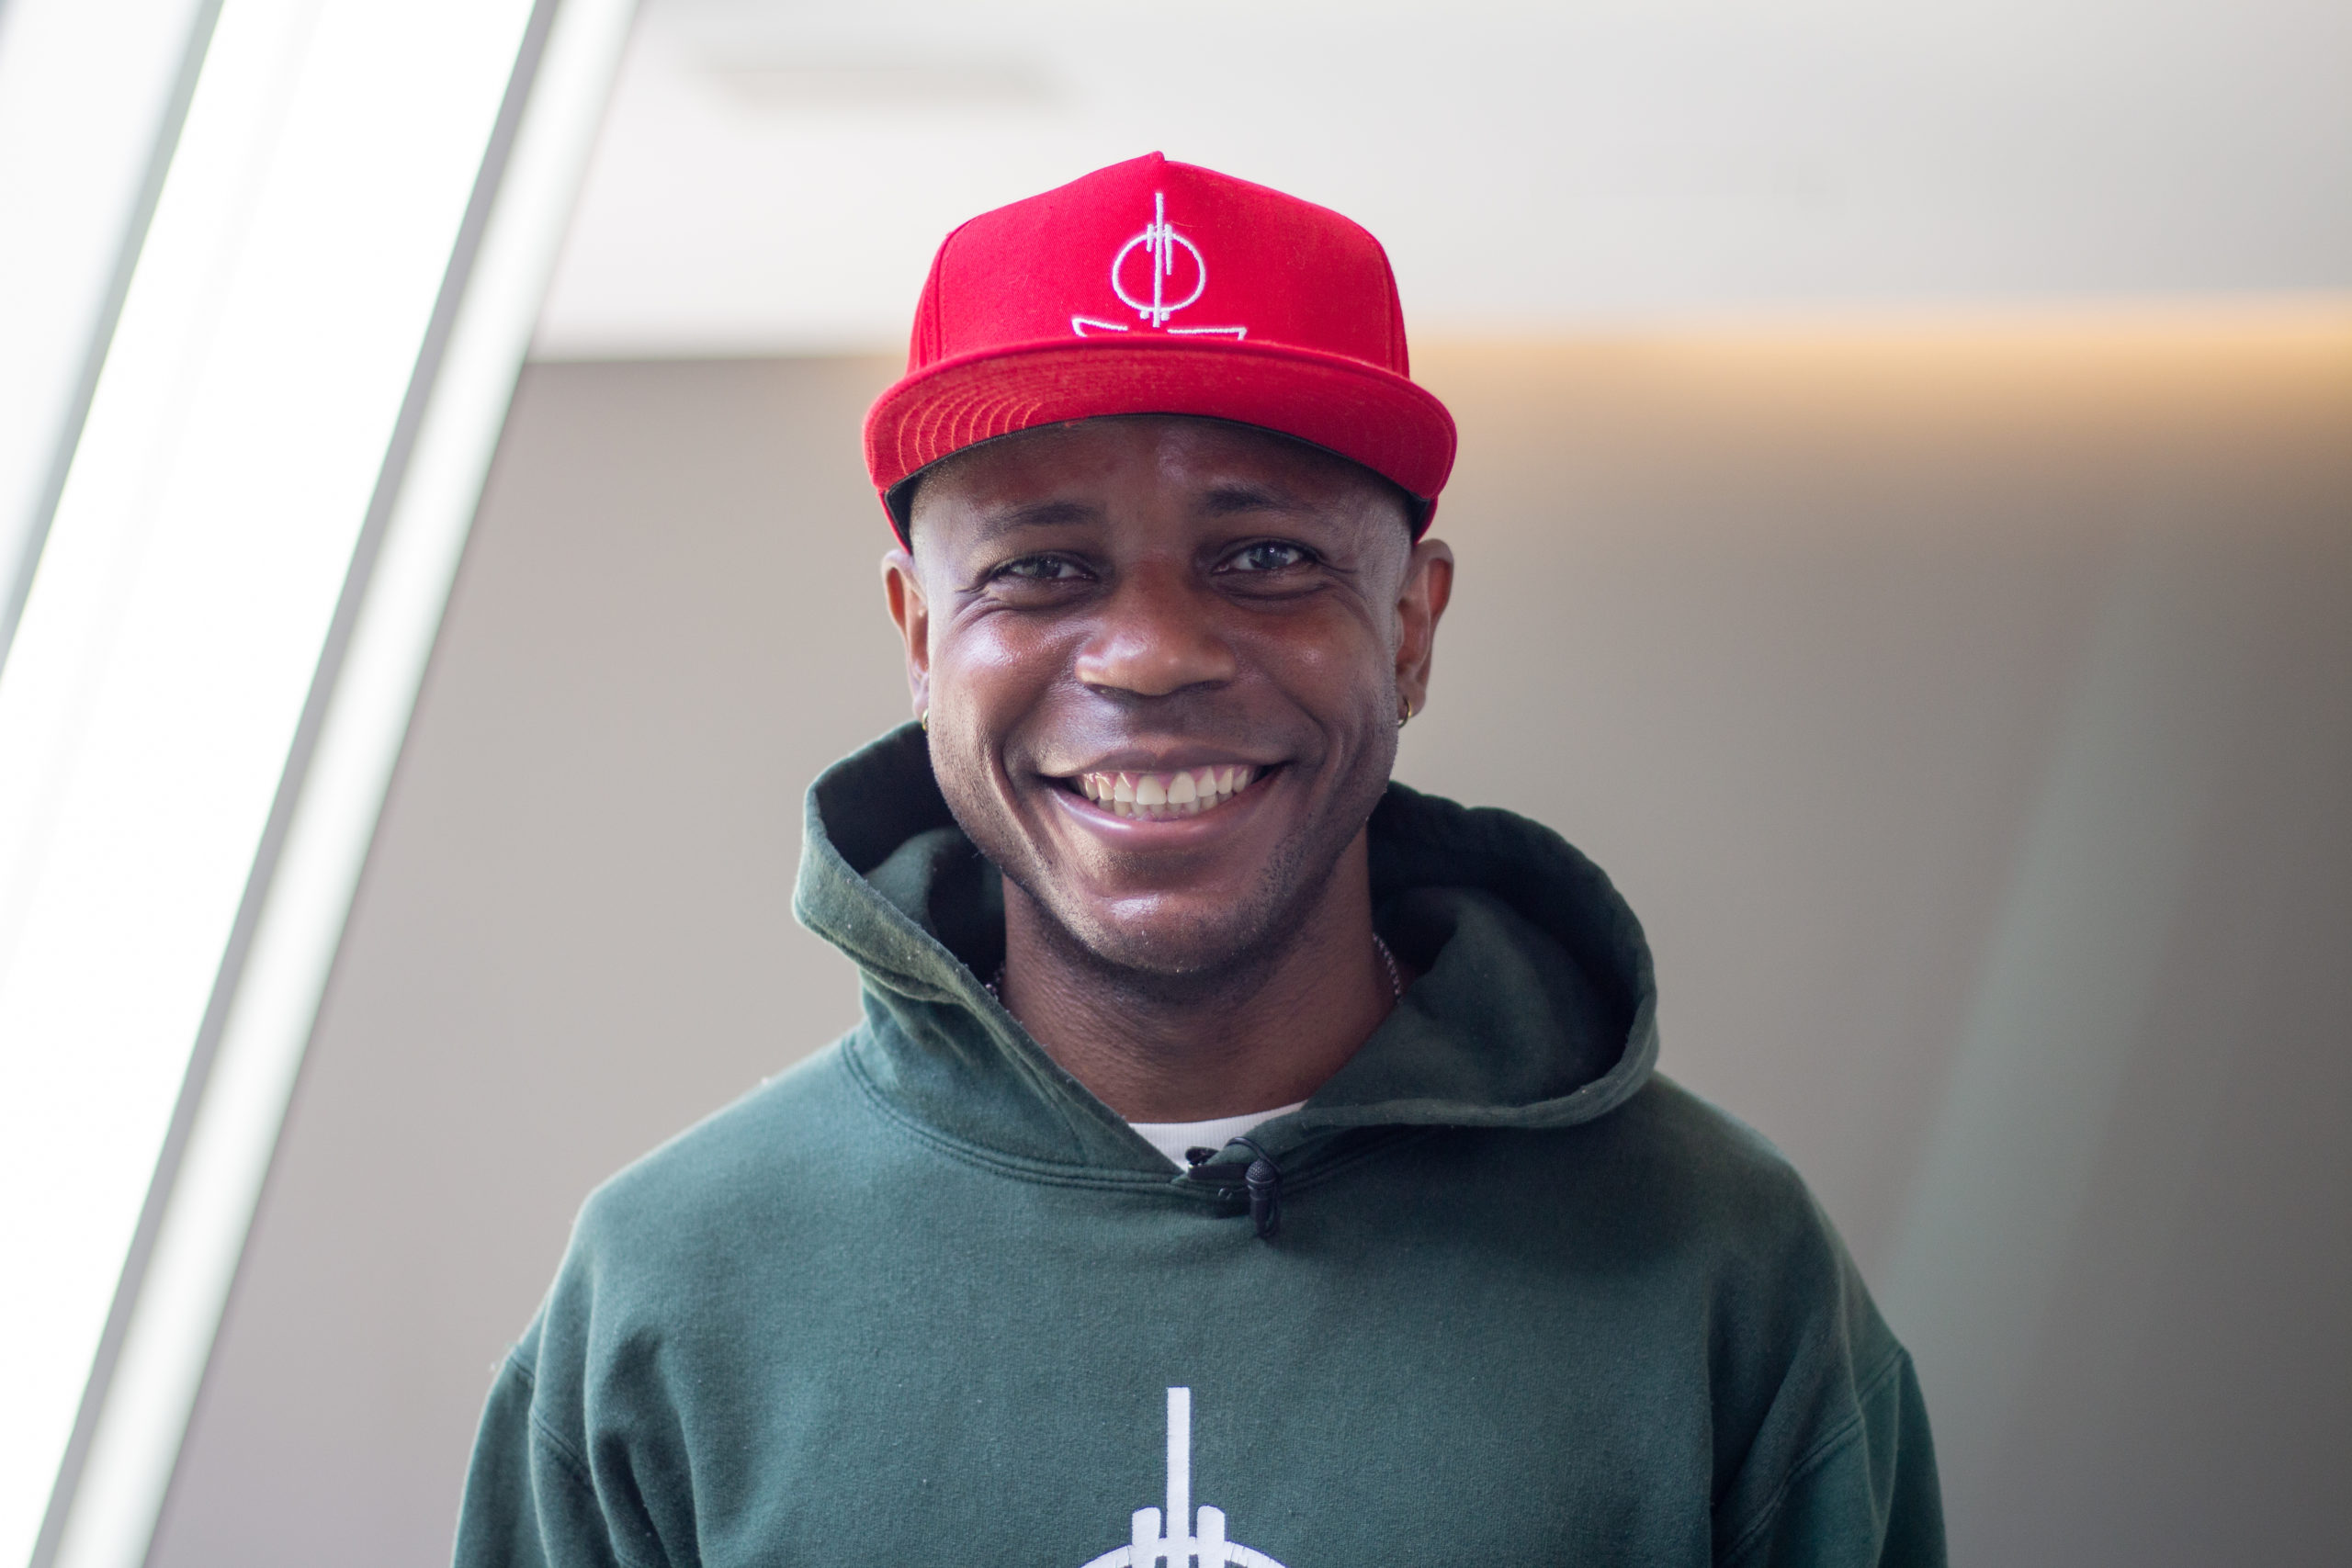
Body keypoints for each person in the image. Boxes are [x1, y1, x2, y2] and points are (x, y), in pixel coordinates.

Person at [454, 152, 1944, 1567]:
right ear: (920, 637)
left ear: (1411, 627)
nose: (1155, 654)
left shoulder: (1719, 1275)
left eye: (1265, 558)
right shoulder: (671, 1300)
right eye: (1043, 567)